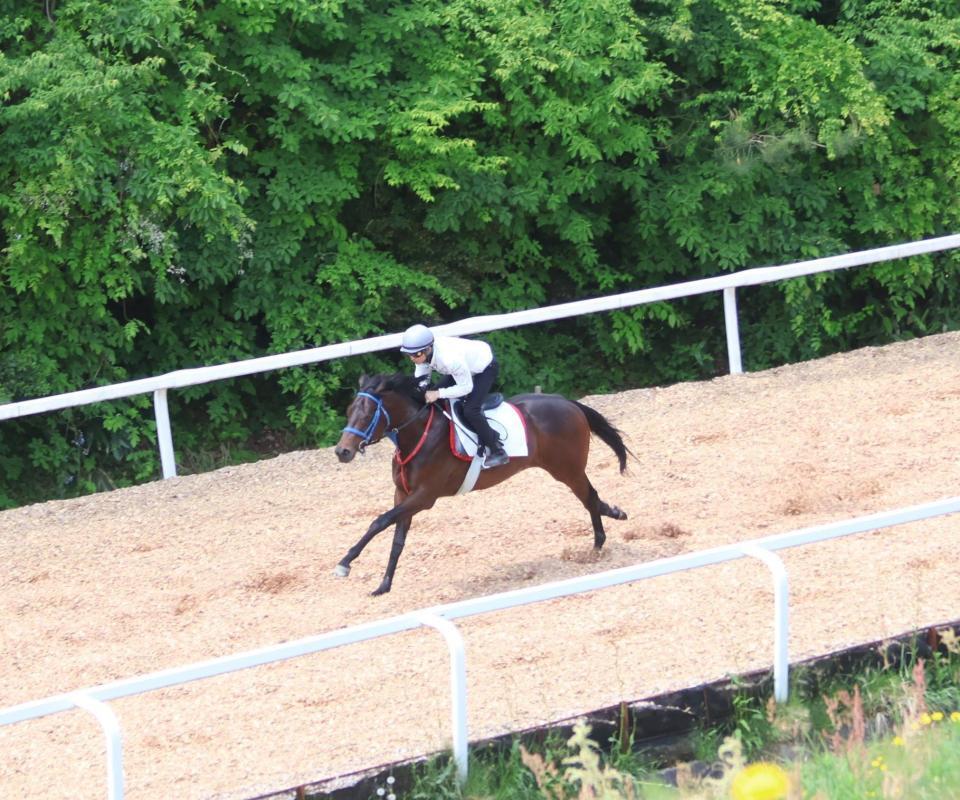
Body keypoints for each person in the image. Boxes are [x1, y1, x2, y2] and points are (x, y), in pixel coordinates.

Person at [399, 324, 509, 469]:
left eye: (416, 355)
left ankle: (497, 450)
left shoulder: (449, 359)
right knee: (429, 399)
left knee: (471, 410)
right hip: (462, 367)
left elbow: (466, 387)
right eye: (409, 354)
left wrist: (438, 393)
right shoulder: (423, 356)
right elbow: (422, 380)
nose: (412, 358)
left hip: (484, 368)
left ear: (428, 349)